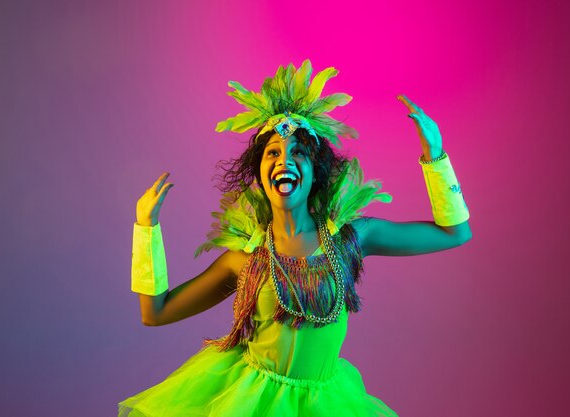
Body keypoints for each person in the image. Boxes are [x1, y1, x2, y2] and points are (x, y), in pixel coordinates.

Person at [119, 60, 472, 416]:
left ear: (315, 172)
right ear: (259, 170)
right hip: (250, 403)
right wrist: (145, 229)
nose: (284, 160)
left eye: (298, 152)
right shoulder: (244, 260)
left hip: (329, 404)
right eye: (273, 152)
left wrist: (435, 155)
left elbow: (455, 233)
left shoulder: (351, 239)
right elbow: (156, 313)